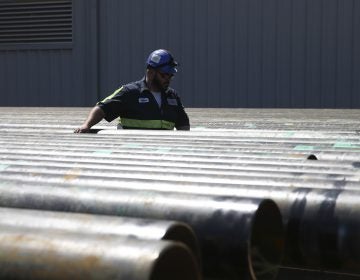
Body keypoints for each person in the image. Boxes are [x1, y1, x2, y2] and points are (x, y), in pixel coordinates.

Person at [74, 49, 190, 133]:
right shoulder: (129, 92)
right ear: (151, 72)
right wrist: (86, 125)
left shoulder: (173, 97)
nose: (168, 79)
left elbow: (183, 125)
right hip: (133, 153)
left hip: (162, 156)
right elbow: (101, 109)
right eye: (164, 75)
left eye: (171, 76)